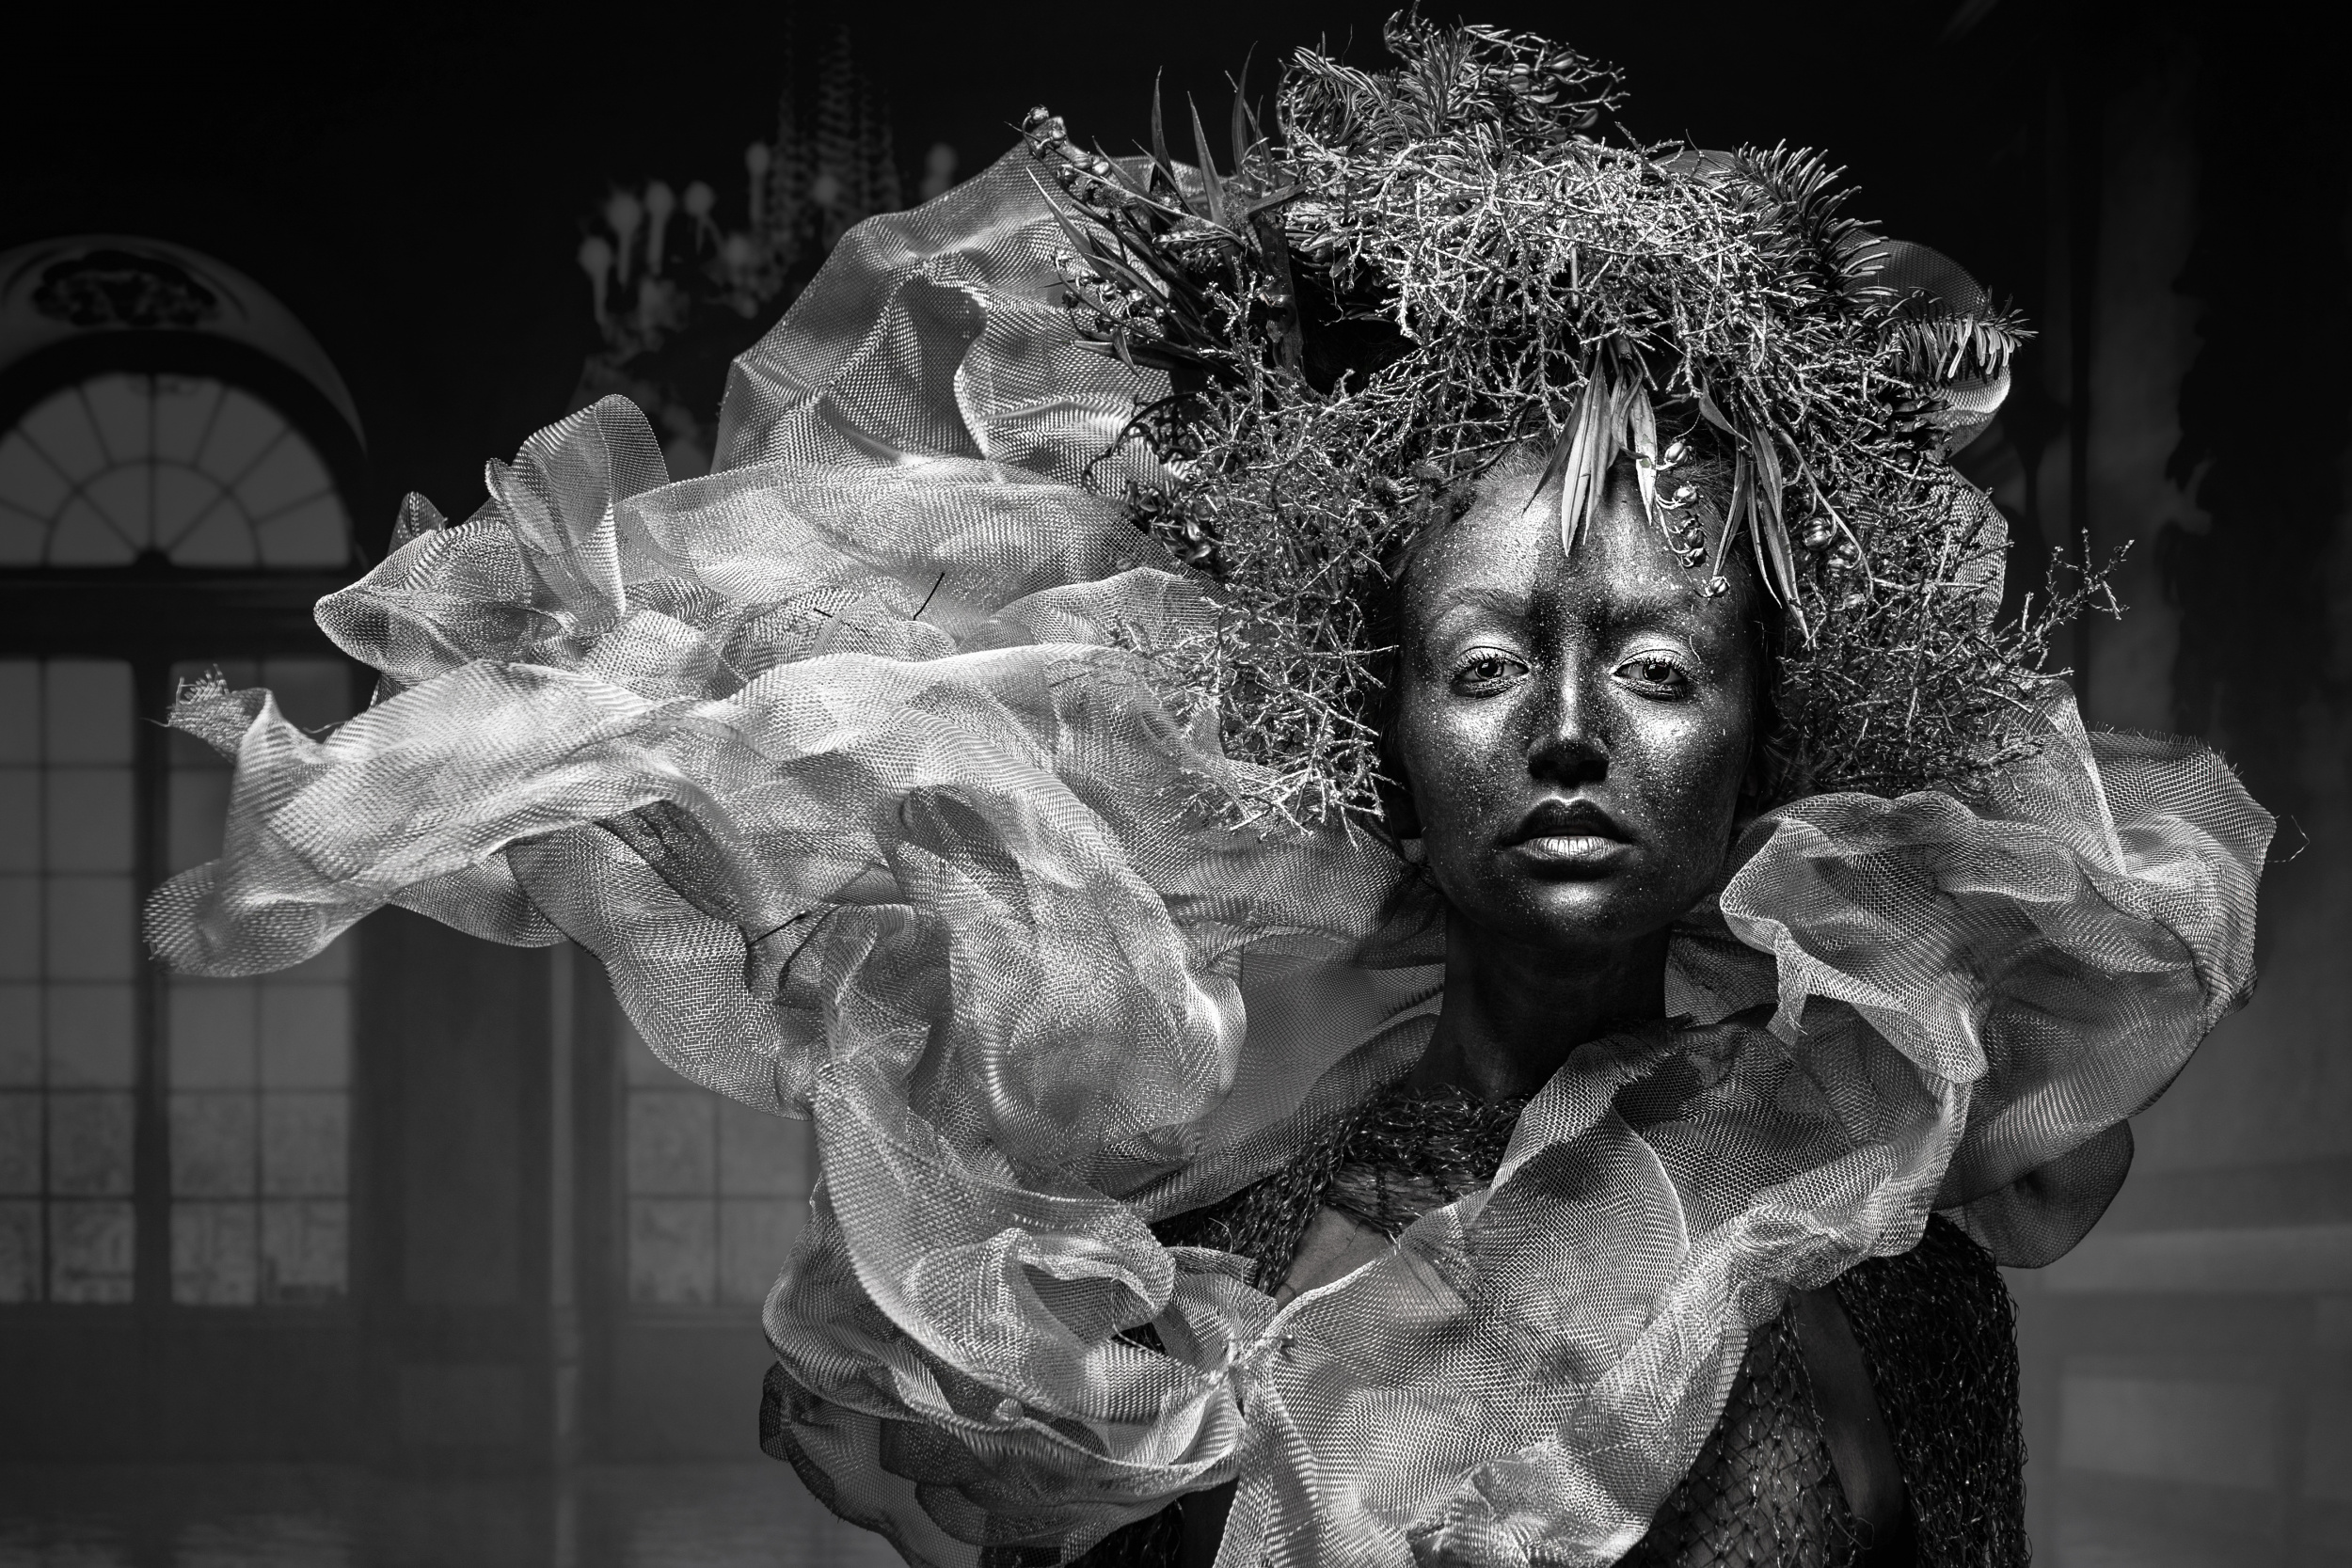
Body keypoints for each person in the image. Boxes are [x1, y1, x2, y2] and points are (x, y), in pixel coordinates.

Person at [151, 19, 2268, 1568]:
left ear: (1766, 732)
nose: (1564, 734)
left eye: (1652, 669)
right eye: (1480, 664)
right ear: (1366, 719)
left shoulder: (1889, 1276)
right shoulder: (1191, 1285)